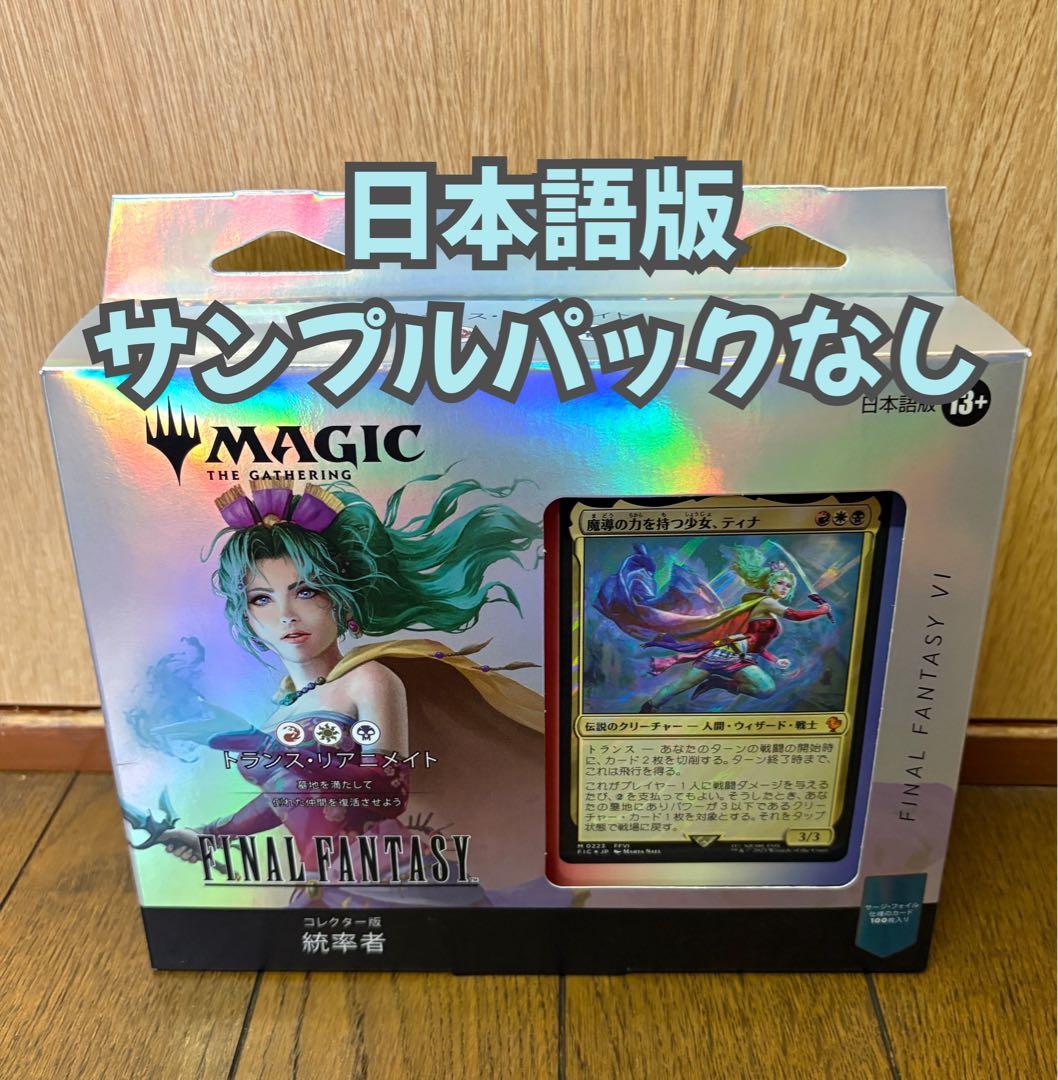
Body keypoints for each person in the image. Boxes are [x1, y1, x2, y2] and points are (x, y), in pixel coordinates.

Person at [156, 472, 544, 901]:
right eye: (261, 598)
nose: (286, 614)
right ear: (246, 616)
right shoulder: (283, 712)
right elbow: (288, 796)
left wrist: (260, 745)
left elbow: (388, 791)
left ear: (339, 598)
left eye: (306, 592)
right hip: (326, 885)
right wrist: (210, 834)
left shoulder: (369, 679)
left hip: (397, 879)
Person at [594, 542, 832, 712]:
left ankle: (717, 683)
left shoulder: (769, 612)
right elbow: (795, 615)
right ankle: (649, 709)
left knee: (764, 689)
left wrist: (774, 660)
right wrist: (821, 610)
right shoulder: (765, 602)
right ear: (769, 584)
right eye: (780, 583)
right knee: (681, 686)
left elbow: (756, 646)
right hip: (726, 655)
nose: (783, 588)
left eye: (787, 586)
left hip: (742, 657)